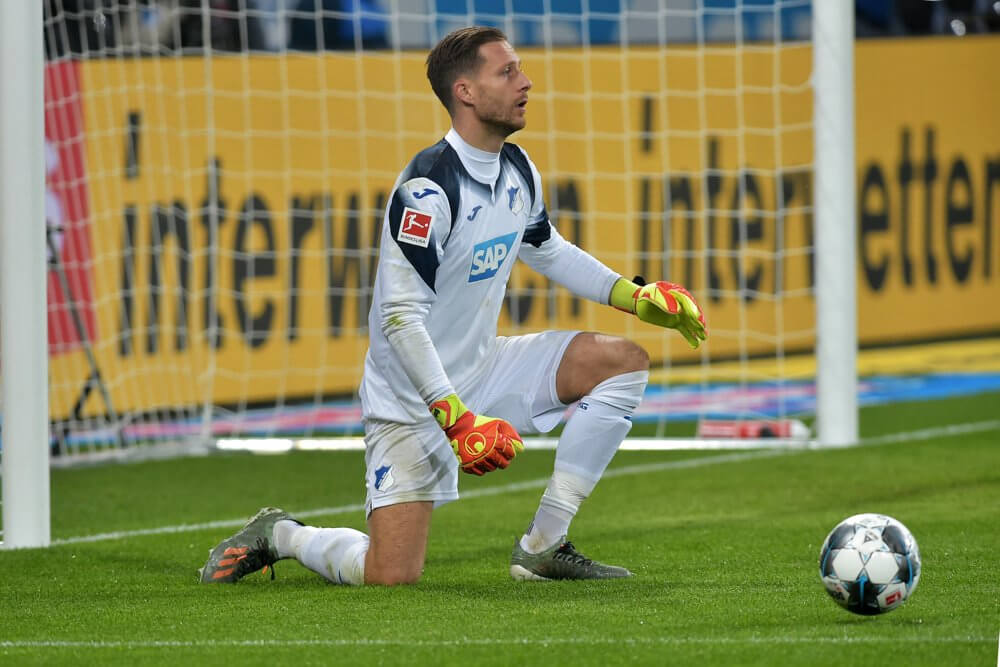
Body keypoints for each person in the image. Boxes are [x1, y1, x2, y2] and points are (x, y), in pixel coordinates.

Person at [199, 26, 706, 586]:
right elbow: (398, 318)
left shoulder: (517, 168)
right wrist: (455, 417)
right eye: (507, 72)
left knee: (622, 363)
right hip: (411, 398)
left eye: (520, 69)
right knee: (390, 575)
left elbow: (546, 247)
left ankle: (543, 546)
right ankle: (283, 535)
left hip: (485, 367)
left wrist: (632, 296)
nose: (525, 82)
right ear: (465, 91)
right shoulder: (427, 189)